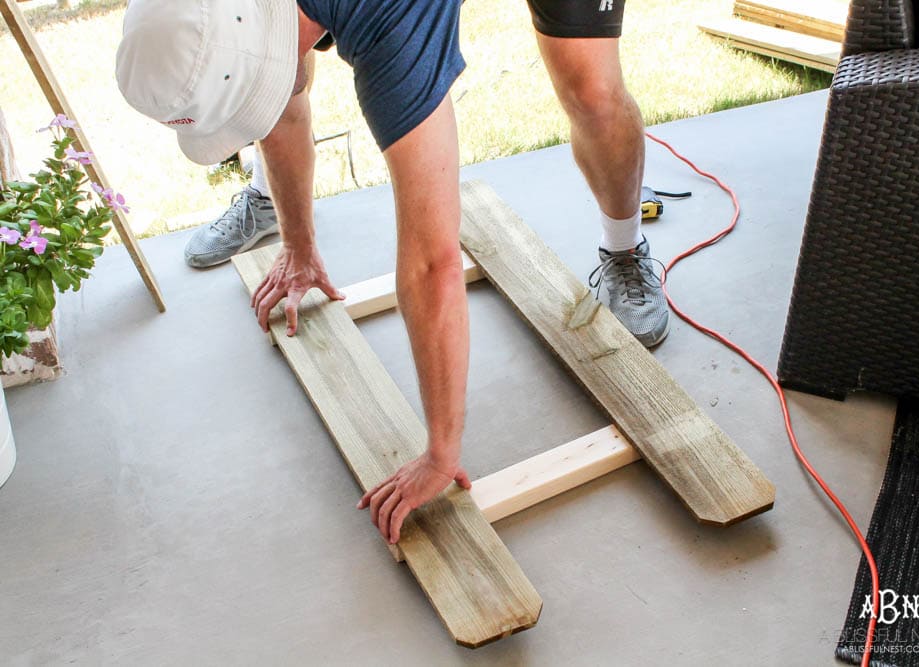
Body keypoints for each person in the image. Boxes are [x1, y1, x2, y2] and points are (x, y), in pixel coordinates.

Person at [116, 0, 668, 546]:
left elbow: (432, 262)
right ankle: (279, 215)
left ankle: (623, 247)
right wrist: (299, 249)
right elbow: (281, 96)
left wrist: (440, 453)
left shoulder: (389, 18)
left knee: (589, 87)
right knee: (282, 76)